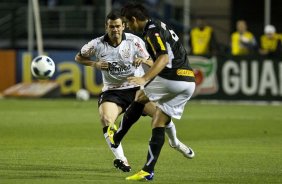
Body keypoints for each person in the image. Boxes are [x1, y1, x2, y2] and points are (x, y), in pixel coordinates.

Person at [75, 9, 192, 173]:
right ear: (106, 27)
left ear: (123, 26)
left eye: (117, 26)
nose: (114, 30)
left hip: (136, 89)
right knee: (106, 119)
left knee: (162, 115)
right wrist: (94, 64)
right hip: (112, 92)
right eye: (111, 27)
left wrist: (143, 60)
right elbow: (78, 57)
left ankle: (175, 142)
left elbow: (155, 62)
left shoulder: (135, 41)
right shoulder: (96, 44)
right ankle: (121, 159)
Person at [108, 3, 196, 181]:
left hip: (173, 78)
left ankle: (116, 138)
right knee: (159, 122)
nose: (127, 27)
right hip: (188, 82)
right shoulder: (159, 25)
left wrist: (144, 78)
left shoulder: (151, 32)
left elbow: (163, 58)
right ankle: (148, 169)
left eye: (127, 23)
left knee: (140, 97)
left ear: (133, 20)